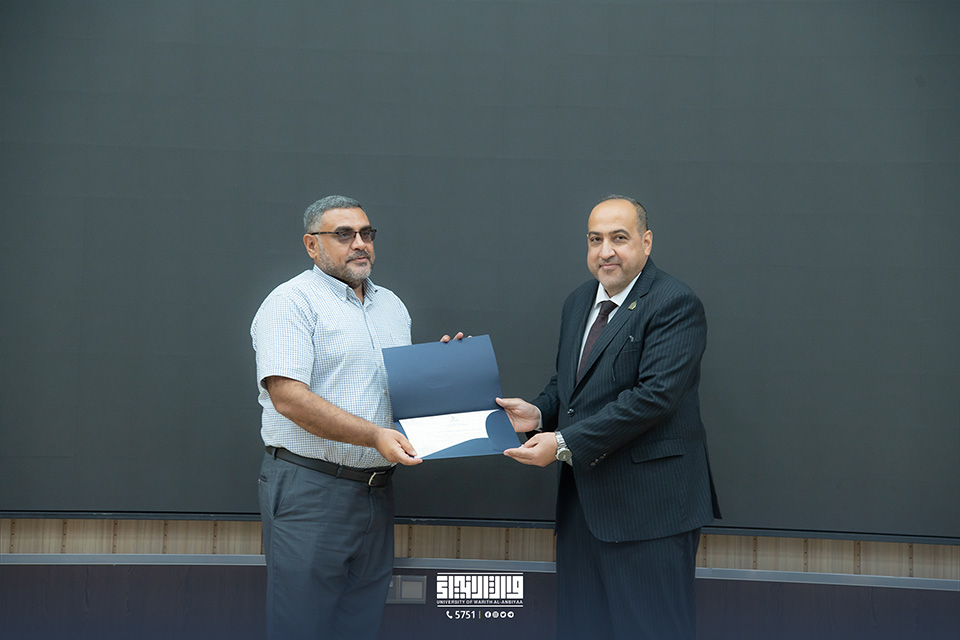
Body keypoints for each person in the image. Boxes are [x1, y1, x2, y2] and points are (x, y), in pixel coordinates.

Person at [498, 195, 721, 640]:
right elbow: (570, 385)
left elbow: (654, 398)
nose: (606, 251)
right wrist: (539, 412)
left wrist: (563, 443)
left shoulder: (675, 302)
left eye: (619, 238)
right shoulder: (578, 301)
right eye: (595, 239)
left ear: (646, 242)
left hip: (650, 514)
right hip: (583, 510)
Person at [251, 195, 459, 639]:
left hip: (376, 493)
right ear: (312, 245)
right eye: (344, 235)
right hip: (310, 489)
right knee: (301, 627)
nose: (360, 243)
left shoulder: (392, 306)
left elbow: (397, 393)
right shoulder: (291, 302)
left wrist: (446, 371)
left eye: (366, 233)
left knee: (361, 625)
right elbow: (289, 399)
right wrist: (374, 437)